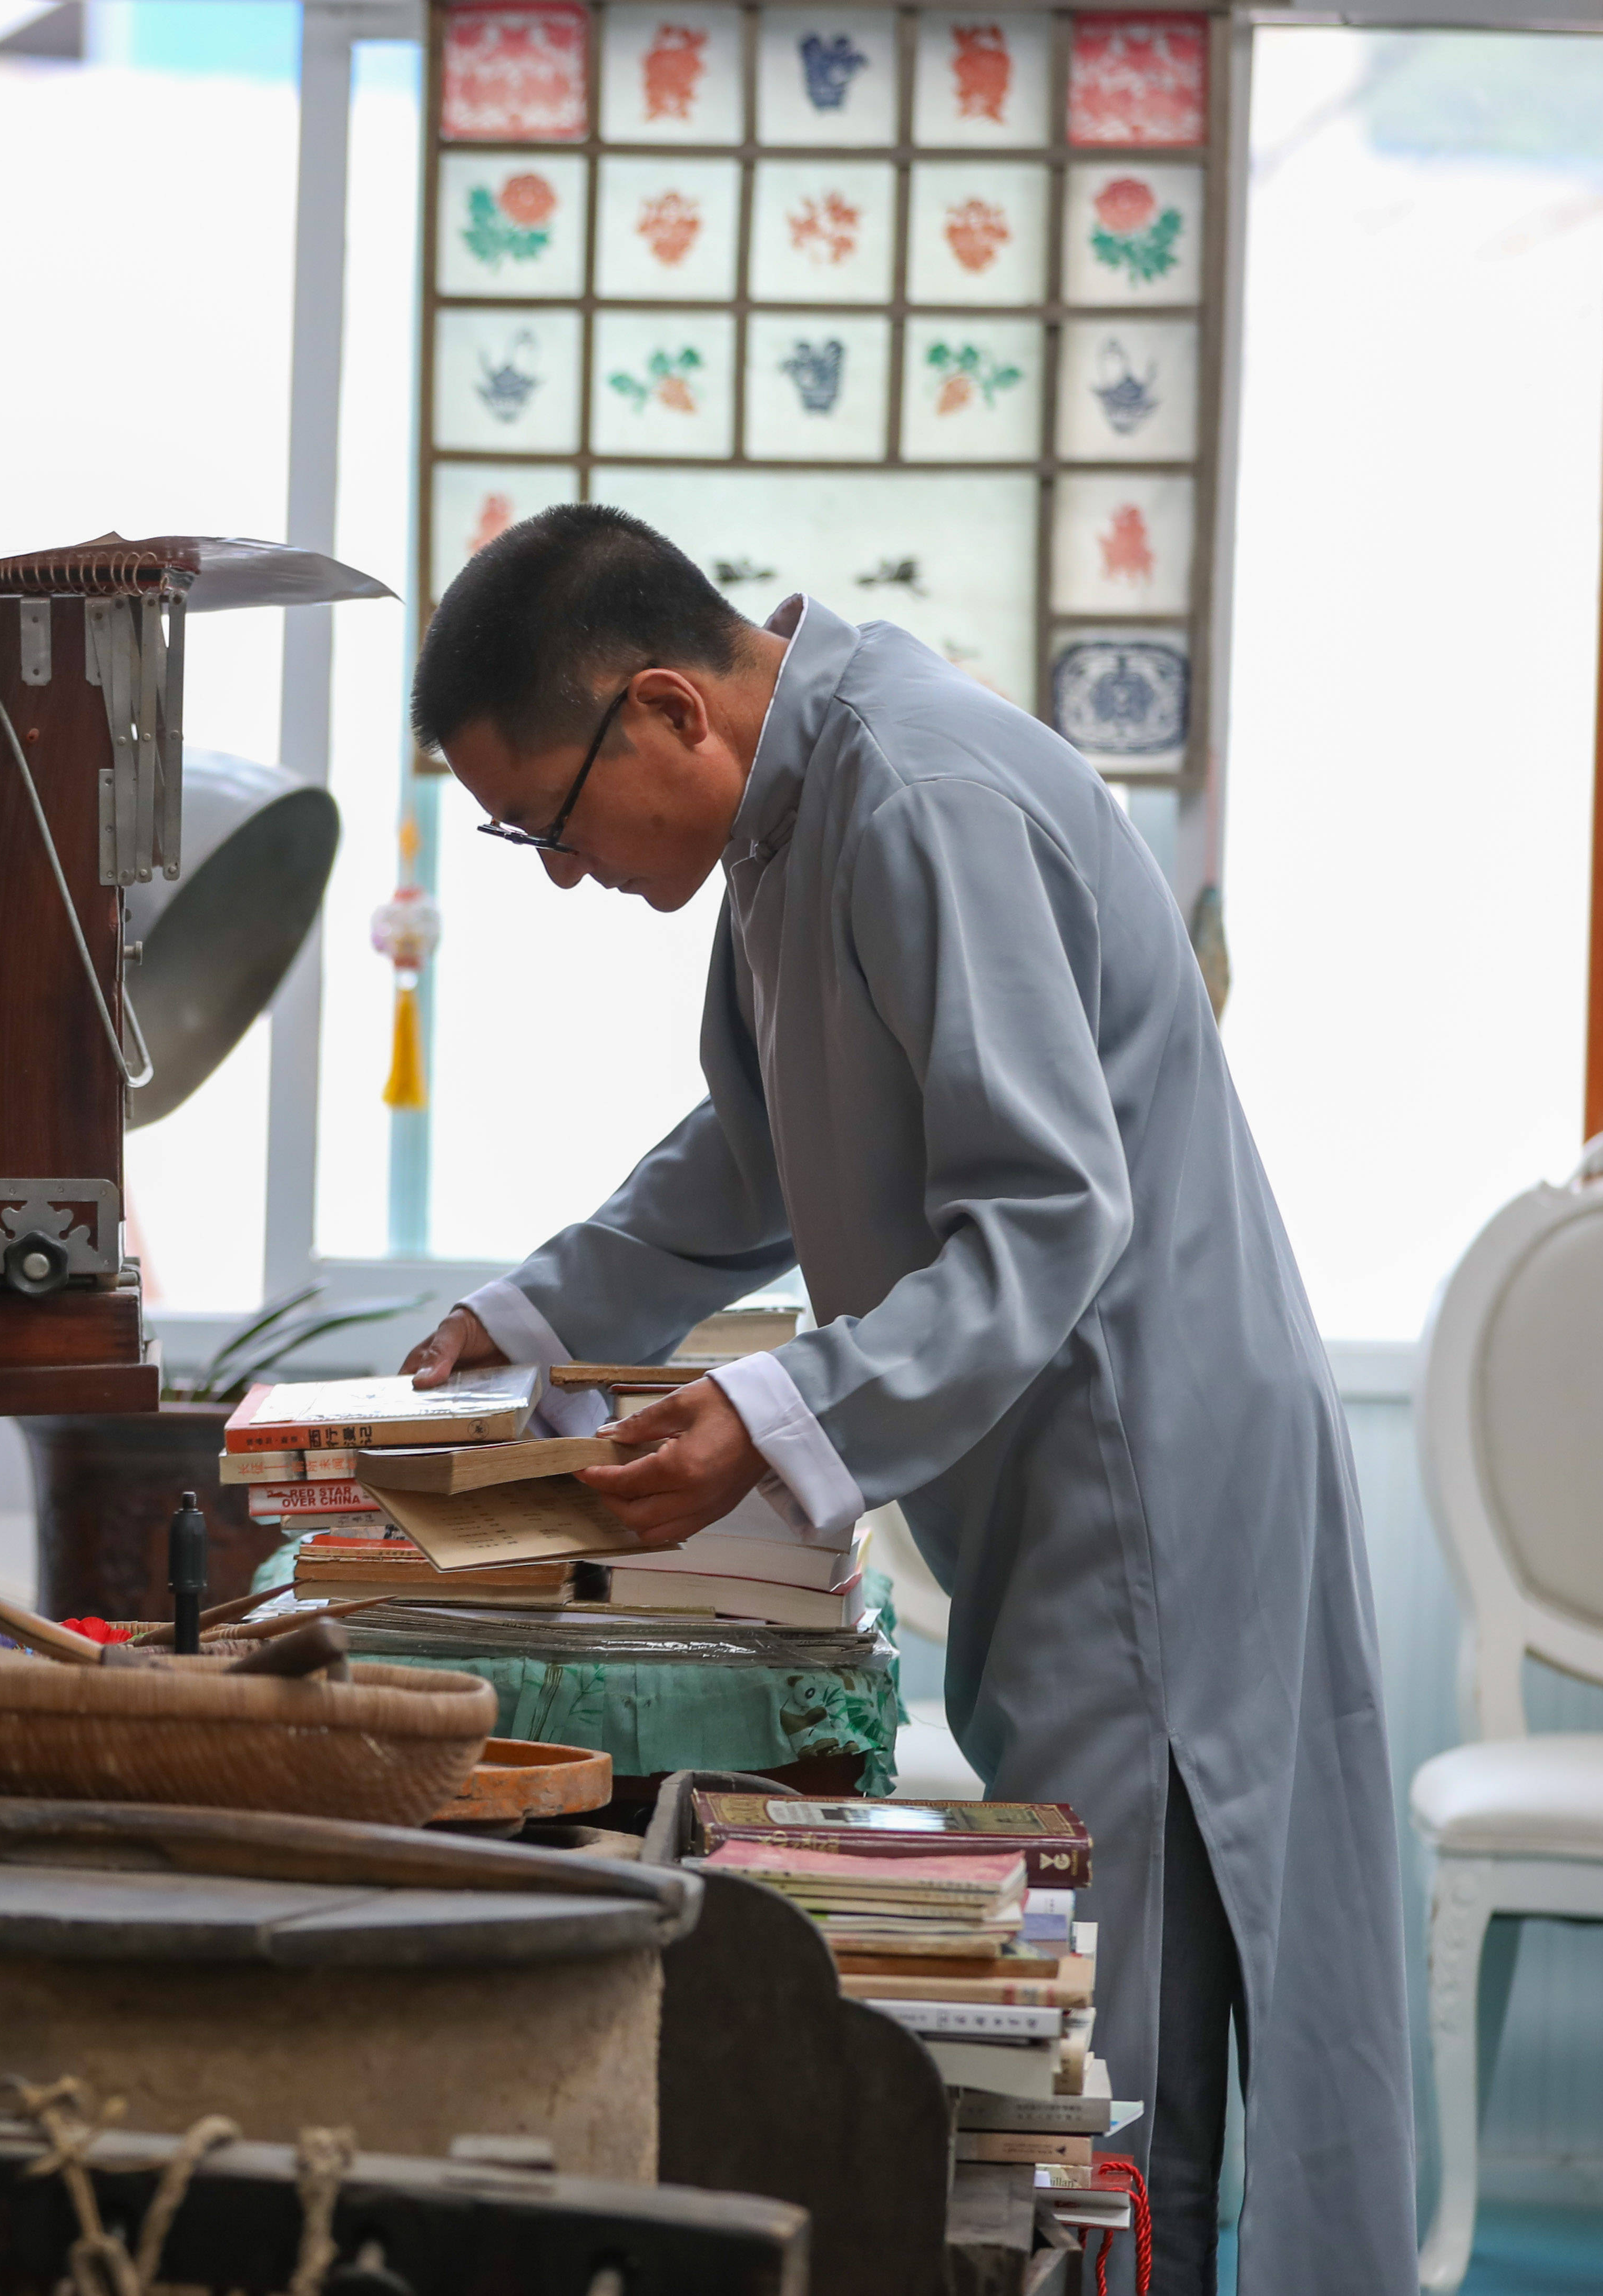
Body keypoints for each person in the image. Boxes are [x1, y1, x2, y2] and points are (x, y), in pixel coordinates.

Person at [398, 505, 1412, 2293]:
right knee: (1087, 2016)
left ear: (665, 711)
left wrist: (780, 1411)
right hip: (1053, 1463)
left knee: (1107, 2061)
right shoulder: (794, 819)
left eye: (544, 820)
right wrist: (530, 1313)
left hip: (1147, 1466)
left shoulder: (918, 789)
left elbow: (1050, 1201)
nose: (557, 872)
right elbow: (758, 1145)